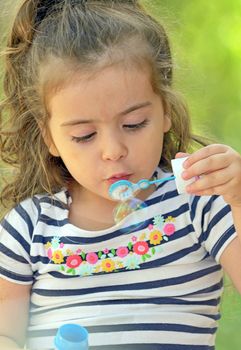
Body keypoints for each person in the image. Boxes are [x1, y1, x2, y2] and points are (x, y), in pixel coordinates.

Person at [0, 0, 241, 349]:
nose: (113, 150)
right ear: (49, 136)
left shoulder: (197, 201)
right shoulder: (28, 229)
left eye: (133, 124)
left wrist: (238, 200)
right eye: (84, 135)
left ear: (165, 112)